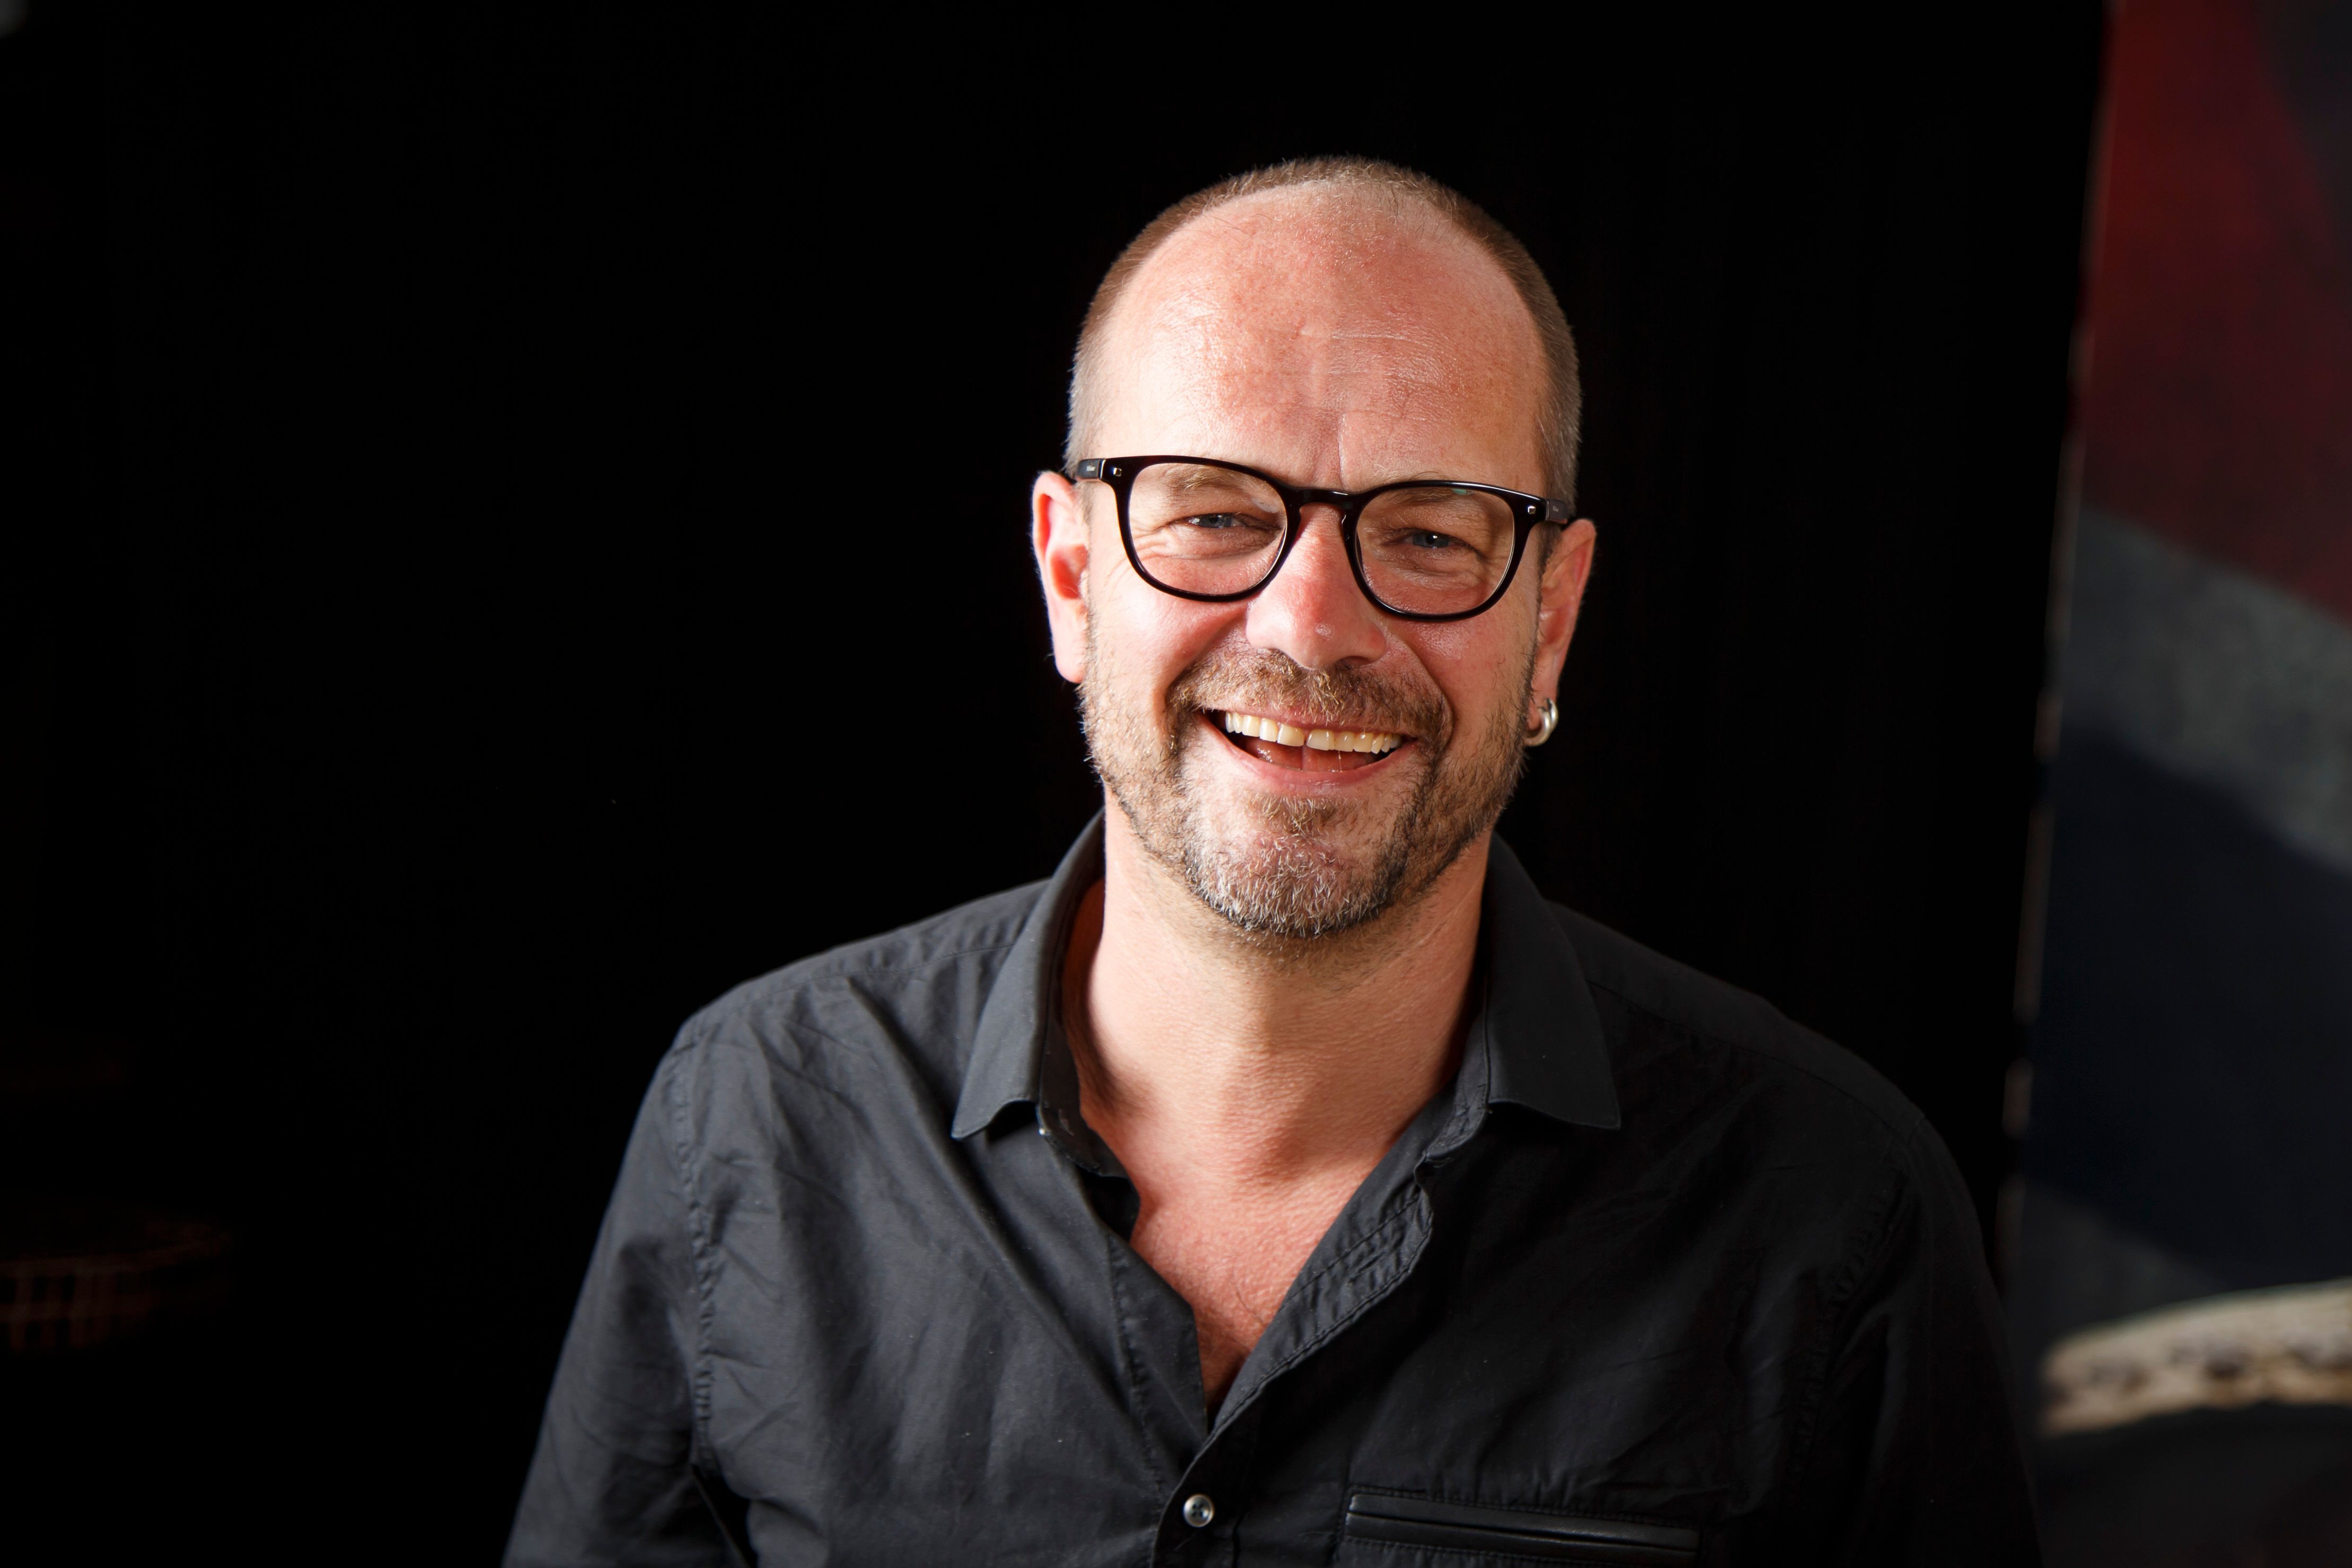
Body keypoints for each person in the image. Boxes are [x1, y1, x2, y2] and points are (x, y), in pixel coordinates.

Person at [506, 157, 2037, 1566]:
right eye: (1215, 513)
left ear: (1552, 618)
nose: (1310, 627)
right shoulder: (755, 1115)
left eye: (1431, 535)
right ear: (1069, 575)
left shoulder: (1837, 1214)